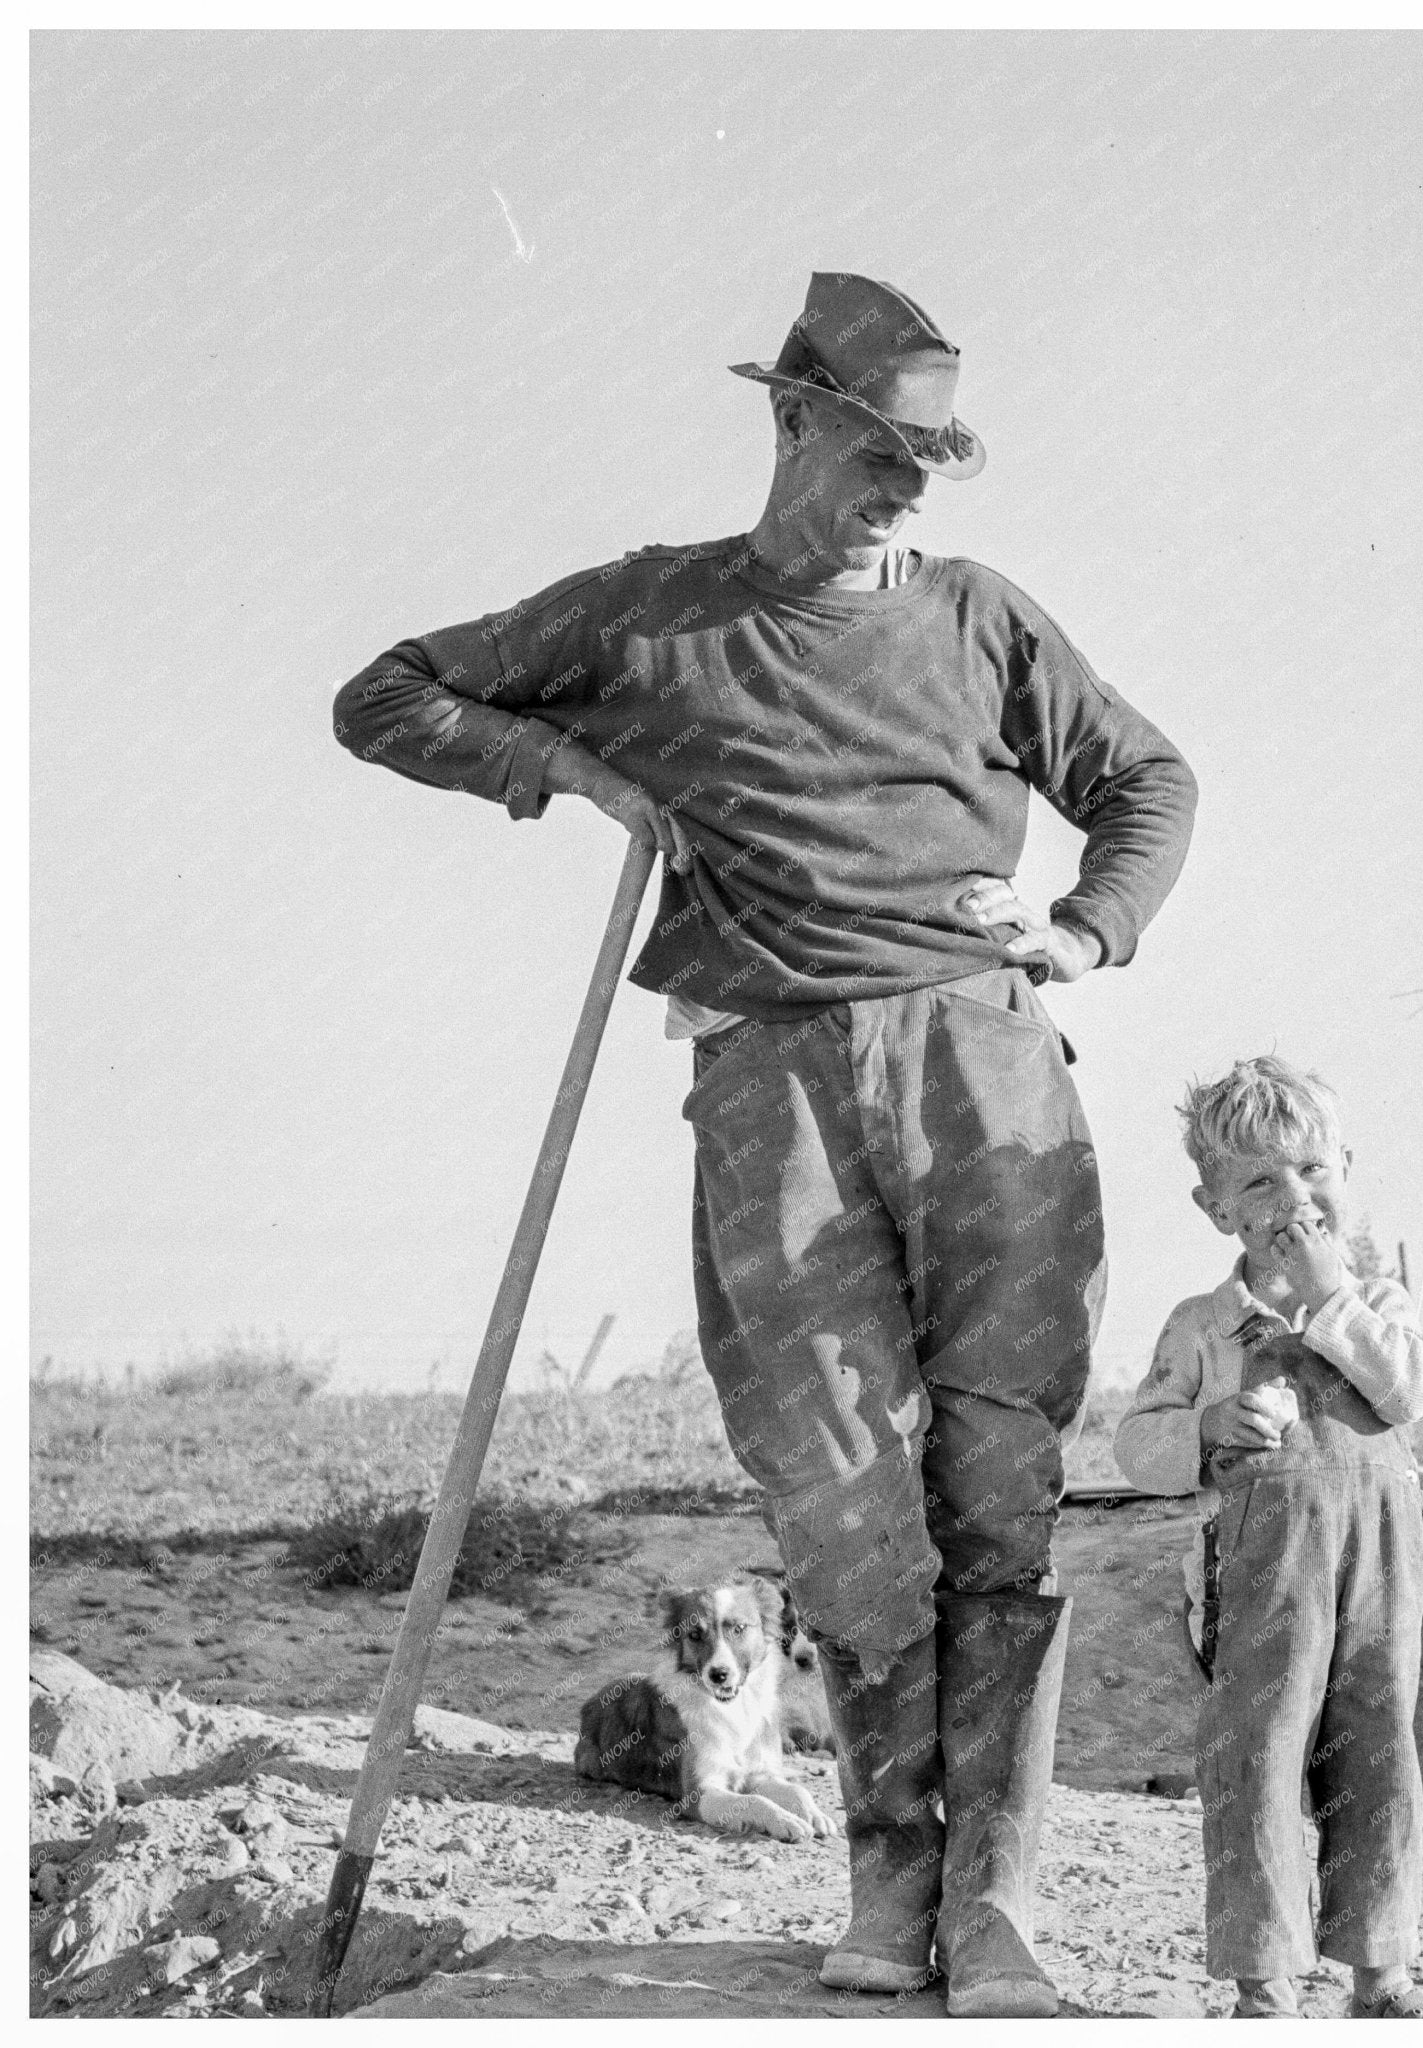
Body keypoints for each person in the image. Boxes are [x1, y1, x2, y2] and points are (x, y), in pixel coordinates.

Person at [333, 272, 1198, 2017]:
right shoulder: (651, 615)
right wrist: (577, 772)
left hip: (984, 1065)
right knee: (843, 1498)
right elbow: (388, 693)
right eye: (880, 450)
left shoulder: (979, 617)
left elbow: (1148, 780)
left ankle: (997, 1900)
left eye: (929, 458)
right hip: (770, 1083)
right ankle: (889, 1884)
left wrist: (1083, 931)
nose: (906, 487)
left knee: (999, 1490)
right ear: (791, 422)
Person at [1113, 1056, 1423, 2019]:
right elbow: (1137, 1442)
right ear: (1217, 1209)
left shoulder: (1378, 1303)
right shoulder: (1206, 1326)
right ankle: (1265, 1983)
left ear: (1346, 1167)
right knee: (1256, 1753)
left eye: (1313, 1172)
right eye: (1259, 1182)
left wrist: (1333, 1295)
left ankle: (1382, 1976)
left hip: (1380, 1567)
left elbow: (1409, 1391)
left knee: (1378, 1749)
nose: (1293, 1200)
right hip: (1263, 1575)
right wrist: (1204, 1430)